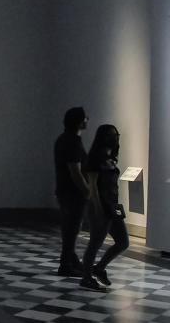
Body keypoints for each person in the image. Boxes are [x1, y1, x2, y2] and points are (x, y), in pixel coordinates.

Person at [79, 125, 129, 292]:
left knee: (123, 242)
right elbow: (92, 187)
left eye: (116, 135)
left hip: (113, 205)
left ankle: (99, 268)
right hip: (99, 205)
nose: (114, 138)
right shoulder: (94, 159)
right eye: (110, 135)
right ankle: (86, 278)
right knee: (95, 242)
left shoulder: (112, 158)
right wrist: (98, 209)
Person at [54, 107, 89, 276]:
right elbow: (75, 171)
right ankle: (66, 264)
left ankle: (71, 260)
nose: (87, 120)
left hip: (64, 191)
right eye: (85, 118)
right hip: (73, 193)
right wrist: (87, 190)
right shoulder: (73, 141)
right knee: (72, 229)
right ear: (79, 121)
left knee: (69, 228)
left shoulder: (62, 139)